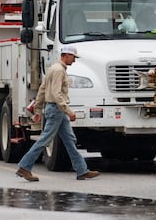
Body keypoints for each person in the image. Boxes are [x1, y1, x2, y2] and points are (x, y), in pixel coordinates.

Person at [16, 45, 100, 182]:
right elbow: (56, 93)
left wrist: (38, 109)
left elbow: (43, 89)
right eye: (73, 57)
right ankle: (24, 167)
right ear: (66, 55)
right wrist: (68, 111)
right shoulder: (59, 70)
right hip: (57, 109)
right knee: (45, 140)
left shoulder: (53, 69)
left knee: (70, 141)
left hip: (55, 109)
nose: (74, 60)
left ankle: (82, 170)